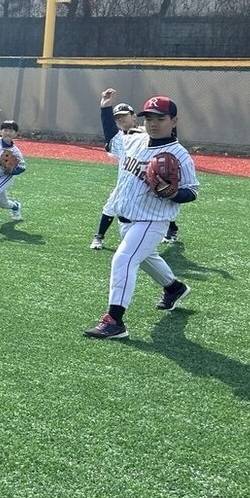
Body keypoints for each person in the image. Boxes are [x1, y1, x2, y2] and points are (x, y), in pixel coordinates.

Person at [83, 92, 198, 340]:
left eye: (160, 118)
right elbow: (111, 141)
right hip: (127, 219)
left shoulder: (179, 155)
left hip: (152, 220)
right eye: (148, 118)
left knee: (123, 260)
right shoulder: (133, 141)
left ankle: (115, 321)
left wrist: (173, 193)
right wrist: (106, 108)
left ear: (174, 121)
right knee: (148, 258)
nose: (153, 123)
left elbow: (192, 192)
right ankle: (175, 288)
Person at [91, 102, 139, 248]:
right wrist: (105, 108)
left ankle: (172, 229)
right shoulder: (120, 139)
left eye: (124, 116)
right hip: (125, 183)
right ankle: (99, 237)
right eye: (118, 118)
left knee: (155, 208)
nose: (121, 119)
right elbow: (110, 133)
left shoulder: (146, 134)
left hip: (146, 182)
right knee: (110, 207)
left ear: (134, 116)